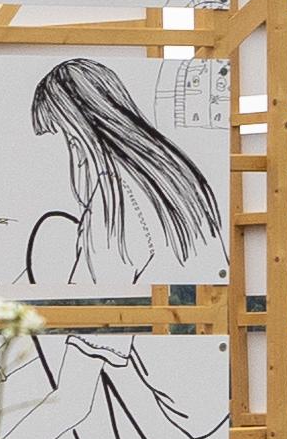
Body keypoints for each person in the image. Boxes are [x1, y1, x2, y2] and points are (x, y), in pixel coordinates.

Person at [21, 56, 221, 286]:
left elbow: (92, 285)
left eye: (52, 134)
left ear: (74, 135)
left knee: (51, 228)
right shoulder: (173, 171)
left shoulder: (112, 199)